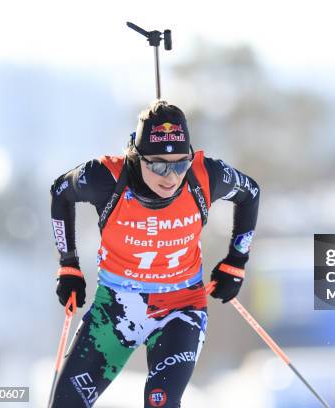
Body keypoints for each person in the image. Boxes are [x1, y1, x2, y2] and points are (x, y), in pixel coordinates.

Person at [48, 100, 260, 408]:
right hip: (116, 310)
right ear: (136, 156)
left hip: (181, 308)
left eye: (179, 163)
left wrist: (236, 262)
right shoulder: (106, 178)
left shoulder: (205, 176)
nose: (170, 176)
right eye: (158, 164)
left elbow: (250, 192)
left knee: (160, 403)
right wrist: (68, 266)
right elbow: (60, 192)